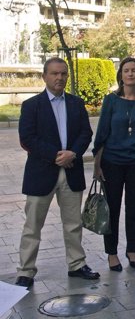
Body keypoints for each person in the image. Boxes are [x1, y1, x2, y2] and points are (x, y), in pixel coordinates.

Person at [15, 58, 99, 287]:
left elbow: (85, 133)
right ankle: (26, 271)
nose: (59, 78)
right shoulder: (31, 105)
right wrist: (56, 155)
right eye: (54, 73)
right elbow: (27, 138)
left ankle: (77, 264)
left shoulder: (76, 103)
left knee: (73, 223)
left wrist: (73, 153)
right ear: (44, 76)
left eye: (63, 74)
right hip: (42, 172)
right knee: (33, 225)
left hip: (71, 171)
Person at [93, 57, 135, 271]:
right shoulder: (111, 100)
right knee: (112, 208)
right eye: (126, 70)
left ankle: (132, 250)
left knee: (134, 207)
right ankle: (112, 253)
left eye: (134, 70)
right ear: (120, 75)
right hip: (112, 161)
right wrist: (97, 164)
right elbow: (102, 131)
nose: (130, 74)